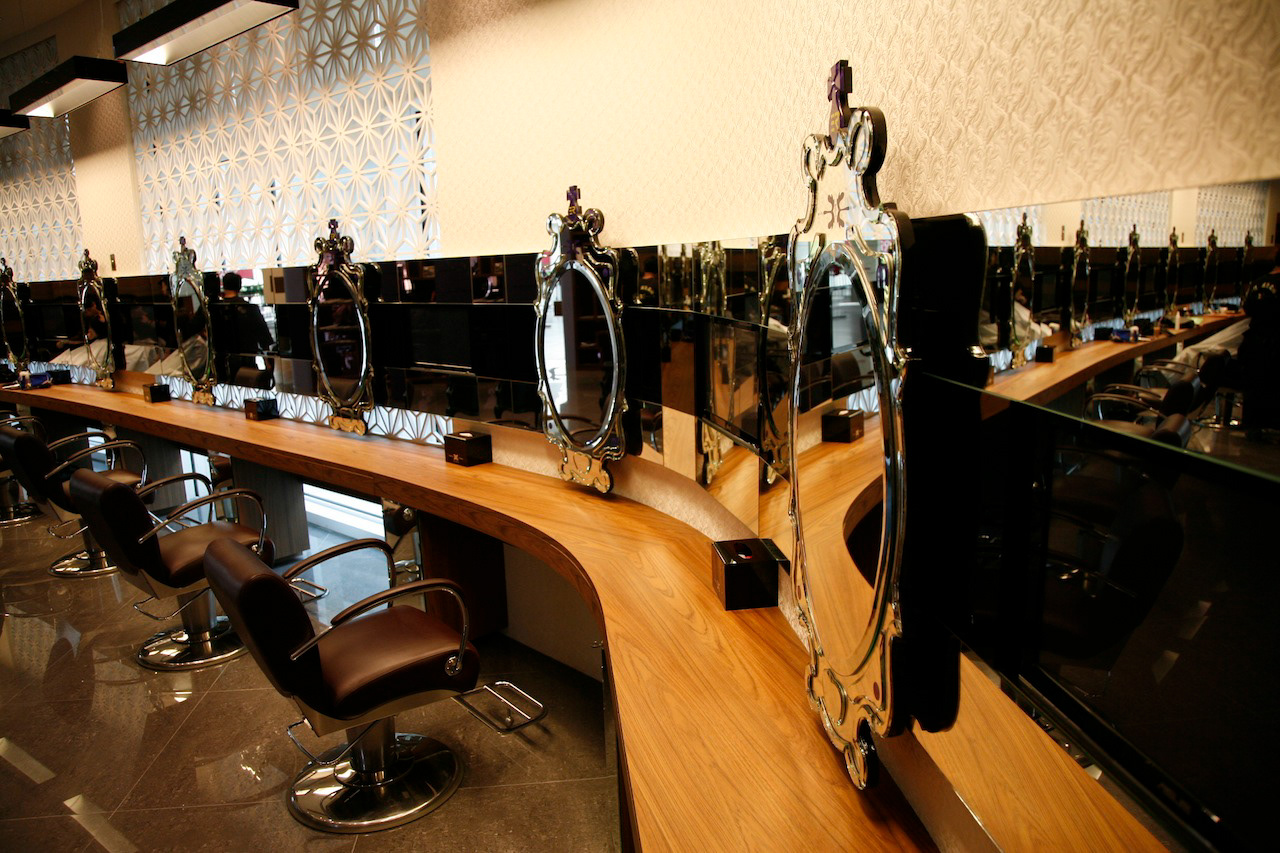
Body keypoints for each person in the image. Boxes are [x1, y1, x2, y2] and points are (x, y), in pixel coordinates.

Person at [219, 271, 275, 385]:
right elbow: (263, 336)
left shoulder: (217, 309)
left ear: (224, 286)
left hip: (222, 361)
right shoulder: (250, 308)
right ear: (239, 287)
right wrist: (267, 361)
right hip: (247, 358)